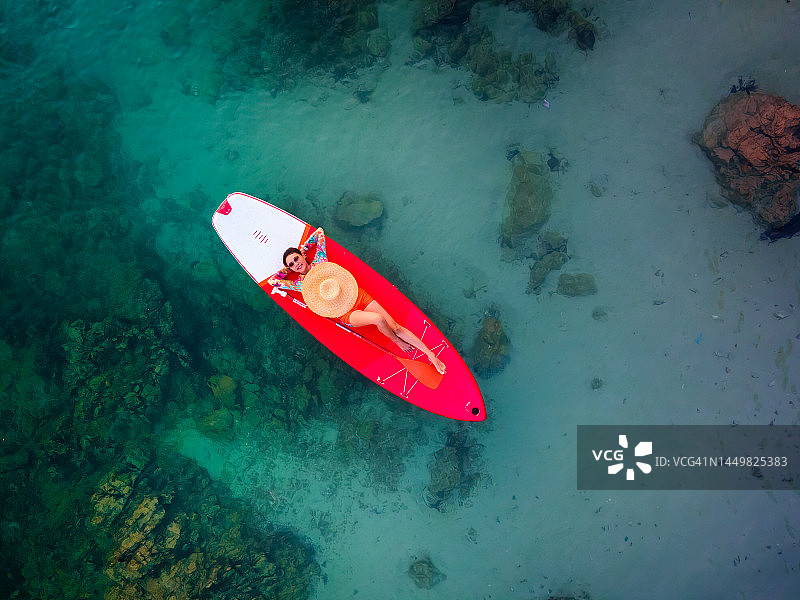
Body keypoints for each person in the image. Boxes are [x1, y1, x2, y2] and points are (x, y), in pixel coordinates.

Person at [267, 227, 446, 374]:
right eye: (291, 265)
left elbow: (319, 233)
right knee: (378, 319)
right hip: (346, 313)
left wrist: (304, 249)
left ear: (303, 256)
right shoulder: (300, 285)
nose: (295, 264)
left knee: (397, 326)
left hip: (358, 296)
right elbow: (273, 281)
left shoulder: (321, 260)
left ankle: (430, 355)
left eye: (296, 258)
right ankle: (398, 342)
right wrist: (287, 271)